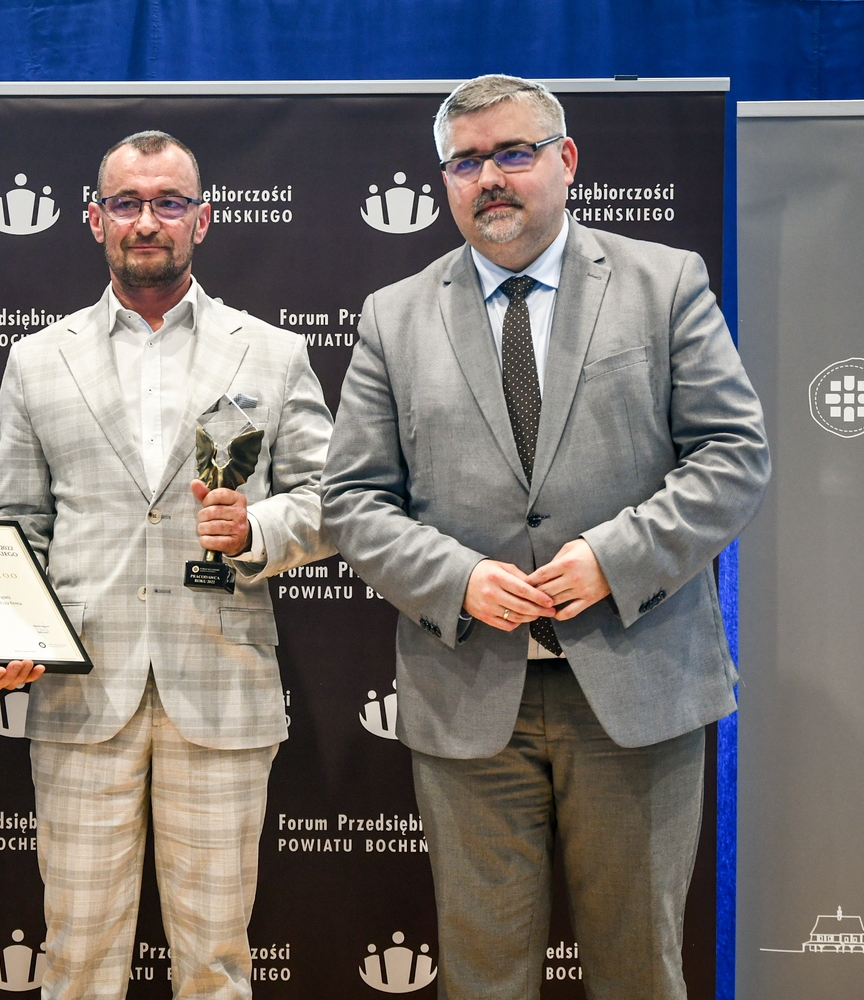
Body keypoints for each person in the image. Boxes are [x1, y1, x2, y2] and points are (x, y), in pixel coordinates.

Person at [321, 75, 770, 999]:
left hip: (636, 690)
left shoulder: (664, 282)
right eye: (466, 162)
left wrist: (613, 559)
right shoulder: (393, 316)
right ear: (445, 182)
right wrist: (457, 579)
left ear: (566, 161)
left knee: (639, 973)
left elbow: (734, 456)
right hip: (469, 696)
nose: (490, 178)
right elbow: (355, 501)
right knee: (482, 978)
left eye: (513, 153)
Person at [0, 130, 335, 999]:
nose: (147, 221)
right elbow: (17, 523)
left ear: (201, 220)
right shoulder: (37, 359)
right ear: (94, 218)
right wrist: (3, 630)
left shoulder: (272, 352)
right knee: (76, 962)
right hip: (79, 697)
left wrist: (254, 528)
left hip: (221, 689)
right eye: (128, 202)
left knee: (215, 966)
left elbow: (334, 501)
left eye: (169, 202)